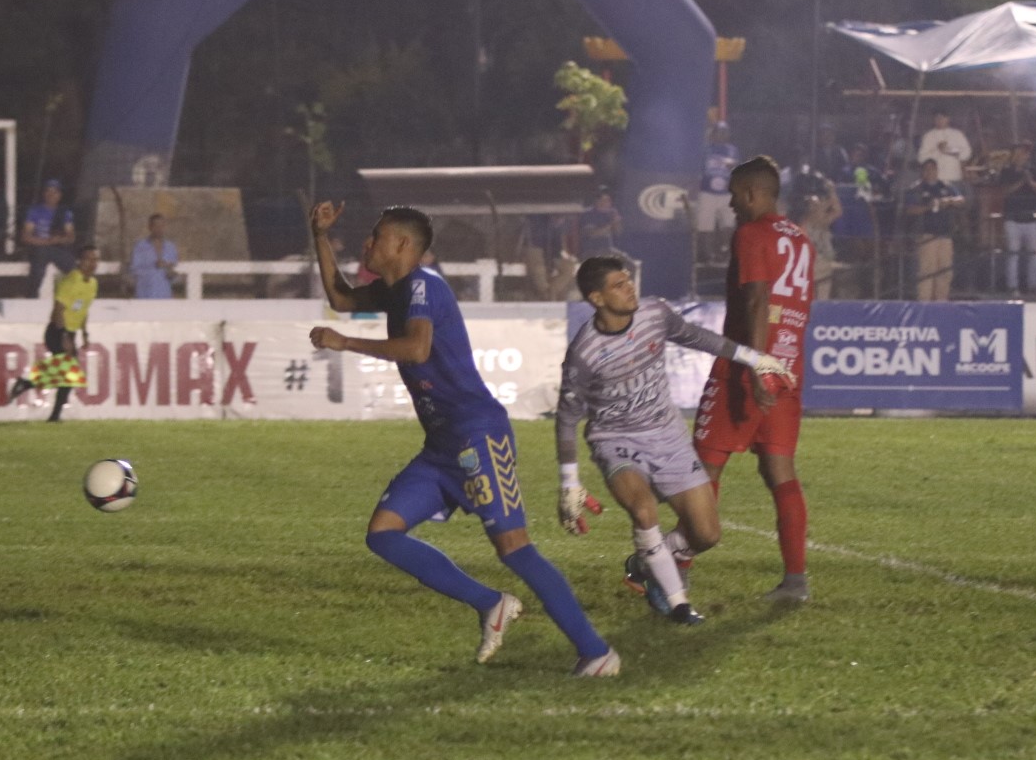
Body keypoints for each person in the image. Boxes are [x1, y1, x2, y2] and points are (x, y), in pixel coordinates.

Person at [306, 200, 620, 677]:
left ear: (404, 245)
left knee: (515, 547)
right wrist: (320, 236)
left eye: (377, 237)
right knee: (383, 534)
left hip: (478, 436)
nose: (368, 243)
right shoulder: (398, 290)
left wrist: (345, 342)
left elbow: (417, 347)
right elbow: (341, 298)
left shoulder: (423, 286)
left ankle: (597, 653)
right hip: (441, 445)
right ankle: (491, 604)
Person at [555, 256, 793, 626]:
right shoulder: (584, 353)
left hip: (668, 437)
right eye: (619, 285)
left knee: (707, 534)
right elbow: (567, 417)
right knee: (644, 510)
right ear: (597, 298)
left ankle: (646, 562)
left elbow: (696, 337)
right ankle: (678, 603)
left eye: (628, 280)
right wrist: (570, 481)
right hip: (615, 440)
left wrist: (753, 358)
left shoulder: (654, 314)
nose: (630, 287)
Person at [690, 156, 815, 603]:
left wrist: (756, 362)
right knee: (779, 468)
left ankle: (674, 575)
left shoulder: (751, 233)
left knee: (703, 469)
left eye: (735, 194)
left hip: (746, 368)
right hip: (787, 369)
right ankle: (795, 581)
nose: (731, 204)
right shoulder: (801, 239)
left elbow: (758, 298)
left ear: (752, 194)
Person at [10, 245, 99, 421]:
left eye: (95, 259)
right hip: (57, 331)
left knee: (68, 375)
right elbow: (57, 311)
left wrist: (85, 333)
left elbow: (83, 309)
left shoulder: (92, 284)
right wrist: (65, 336)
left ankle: (27, 385)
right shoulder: (71, 281)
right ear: (80, 261)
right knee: (70, 373)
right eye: (88, 259)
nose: (92, 263)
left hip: (70, 333)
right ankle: (53, 415)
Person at [996, 142, 1036, 294]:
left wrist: (1030, 182)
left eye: (1025, 154)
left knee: (1034, 255)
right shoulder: (1007, 171)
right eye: (1020, 153)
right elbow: (1005, 191)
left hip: (1031, 218)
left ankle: (1032, 286)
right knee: (1013, 254)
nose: (1023, 156)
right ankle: (1012, 286)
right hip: (1012, 218)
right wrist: (1022, 181)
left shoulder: (1033, 170)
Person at [905, 158, 964, 300]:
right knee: (927, 271)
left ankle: (941, 302)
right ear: (922, 171)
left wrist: (948, 201)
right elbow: (910, 210)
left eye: (933, 168)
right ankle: (925, 302)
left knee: (945, 270)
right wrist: (928, 206)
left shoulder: (946, 186)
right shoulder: (917, 188)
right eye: (927, 168)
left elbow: (961, 200)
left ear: (937, 170)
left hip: (945, 233)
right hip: (927, 234)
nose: (930, 171)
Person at [21, 178, 76, 297]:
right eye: (48, 191)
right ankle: (31, 298)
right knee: (37, 271)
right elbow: (25, 236)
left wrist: (59, 240)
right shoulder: (34, 211)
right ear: (44, 194)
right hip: (39, 248)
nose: (51, 195)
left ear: (60, 195)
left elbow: (71, 237)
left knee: (74, 269)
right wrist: (44, 242)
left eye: (55, 192)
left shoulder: (65, 212)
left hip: (57, 249)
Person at [694, 122, 739, 262]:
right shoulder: (706, 150)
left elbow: (738, 169)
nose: (722, 135)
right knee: (705, 224)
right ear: (713, 134)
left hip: (727, 193)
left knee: (729, 223)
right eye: (719, 132)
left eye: (725, 132)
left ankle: (726, 252)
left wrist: (733, 166)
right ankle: (708, 255)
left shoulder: (732, 150)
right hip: (707, 192)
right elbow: (698, 169)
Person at [129, 213, 178, 298]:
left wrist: (171, 273)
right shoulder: (140, 247)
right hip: (145, 294)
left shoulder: (171, 247)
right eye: (156, 226)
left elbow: (173, 271)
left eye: (162, 226)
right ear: (150, 227)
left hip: (164, 294)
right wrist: (153, 266)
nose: (159, 229)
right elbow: (134, 270)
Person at [917, 110, 972, 187]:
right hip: (934, 179)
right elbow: (921, 158)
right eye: (937, 118)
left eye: (942, 118)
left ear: (948, 119)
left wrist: (950, 151)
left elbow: (967, 154)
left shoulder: (957, 134)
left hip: (953, 177)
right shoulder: (928, 136)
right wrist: (937, 150)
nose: (939, 121)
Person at [579, 189, 622, 257]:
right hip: (591, 251)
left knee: (630, 264)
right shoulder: (588, 214)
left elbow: (618, 232)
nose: (608, 203)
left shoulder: (610, 213)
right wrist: (610, 224)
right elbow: (592, 234)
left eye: (609, 200)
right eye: (605, 200)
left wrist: (617, 222)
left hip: (608, 250)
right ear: (598, 201)